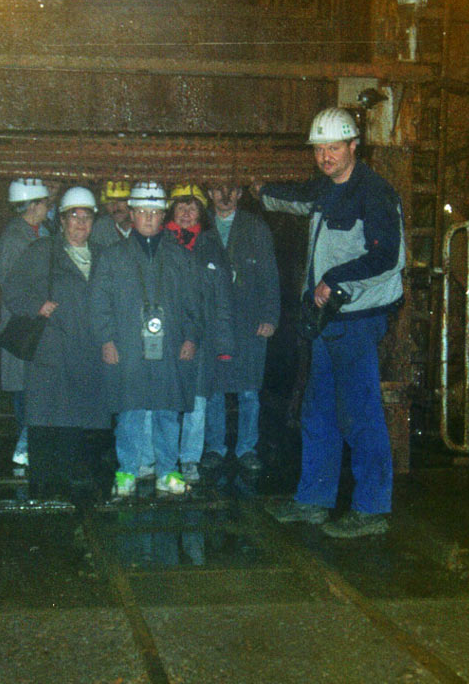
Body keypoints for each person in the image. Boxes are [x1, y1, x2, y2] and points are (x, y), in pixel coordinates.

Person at [257, 107, 405, 538]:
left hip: (356, 318)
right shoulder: (327, 188)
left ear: (354, 147)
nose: (325, 156)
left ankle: (373, 509)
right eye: (319, 148)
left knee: (358, 411)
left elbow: (387, 258)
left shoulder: (374, 193)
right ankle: (314, 500)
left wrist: (334, 280)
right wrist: (257, 189)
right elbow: (298, 198)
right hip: (328, 317)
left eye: (334, 148)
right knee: (318, 410)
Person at [89, 181, 202, 499]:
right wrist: (106, 340)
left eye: (155, 212)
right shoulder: (113, 257)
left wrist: (191, 337)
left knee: (168, 409)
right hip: (127, 344)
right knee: (130, 410)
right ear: (133, 214)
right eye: (142, 211)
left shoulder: (181, 256)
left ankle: (168, 472)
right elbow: (99, 302)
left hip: (170, 344)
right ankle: (126, 472)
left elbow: (195, 302)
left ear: (163, 214)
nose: (149, 218)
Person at [2, 186, 110, 502]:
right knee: (53, 419)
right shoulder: (42, 251)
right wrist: (37, 305)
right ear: (61, 220)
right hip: (55, 350)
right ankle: (50, 494)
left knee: (89, 421)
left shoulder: (103, 255)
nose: (80, 223)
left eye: (86, 217)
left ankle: (85, 495)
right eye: (73, 216)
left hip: (91, 352)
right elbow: (13, 291)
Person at [202, 182, 280, 474]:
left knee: (249, 389)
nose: (225, 196)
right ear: (209, 193)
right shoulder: (200, 225)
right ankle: (214, 448)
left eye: (231, 191)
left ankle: (247, 447)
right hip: (213, 321)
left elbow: (270, 273)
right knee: (214, 389)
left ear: (240, 194)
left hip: (249, 319)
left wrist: (271, 317)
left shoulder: (255, 227)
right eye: (218, 190)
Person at [165, 184, 233, 484]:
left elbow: (223, 297)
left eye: (192, 206)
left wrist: (224, 342)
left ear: (201, 212)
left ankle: (190, 459)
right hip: (165, 335)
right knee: (163, 400)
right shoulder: (158, 242)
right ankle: (161, 459)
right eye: (180, 205)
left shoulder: (211, 245)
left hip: (202, 339)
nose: (186, 211)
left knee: (198, 401)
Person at [0, 178, 51, 472]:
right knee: (26, 389)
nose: (47, 209)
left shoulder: (37, 232)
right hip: (24, 323)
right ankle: (25, 449)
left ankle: (31, 447)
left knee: (35, 386)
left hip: (36, 321)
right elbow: (12, 282)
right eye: (44, 203)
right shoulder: (16, 238)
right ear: (34, 205)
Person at [91, 180, 134, 246]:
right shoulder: (102, 228)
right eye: (109, 202)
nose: (115, 206)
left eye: (120, 200)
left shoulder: (145, 225)